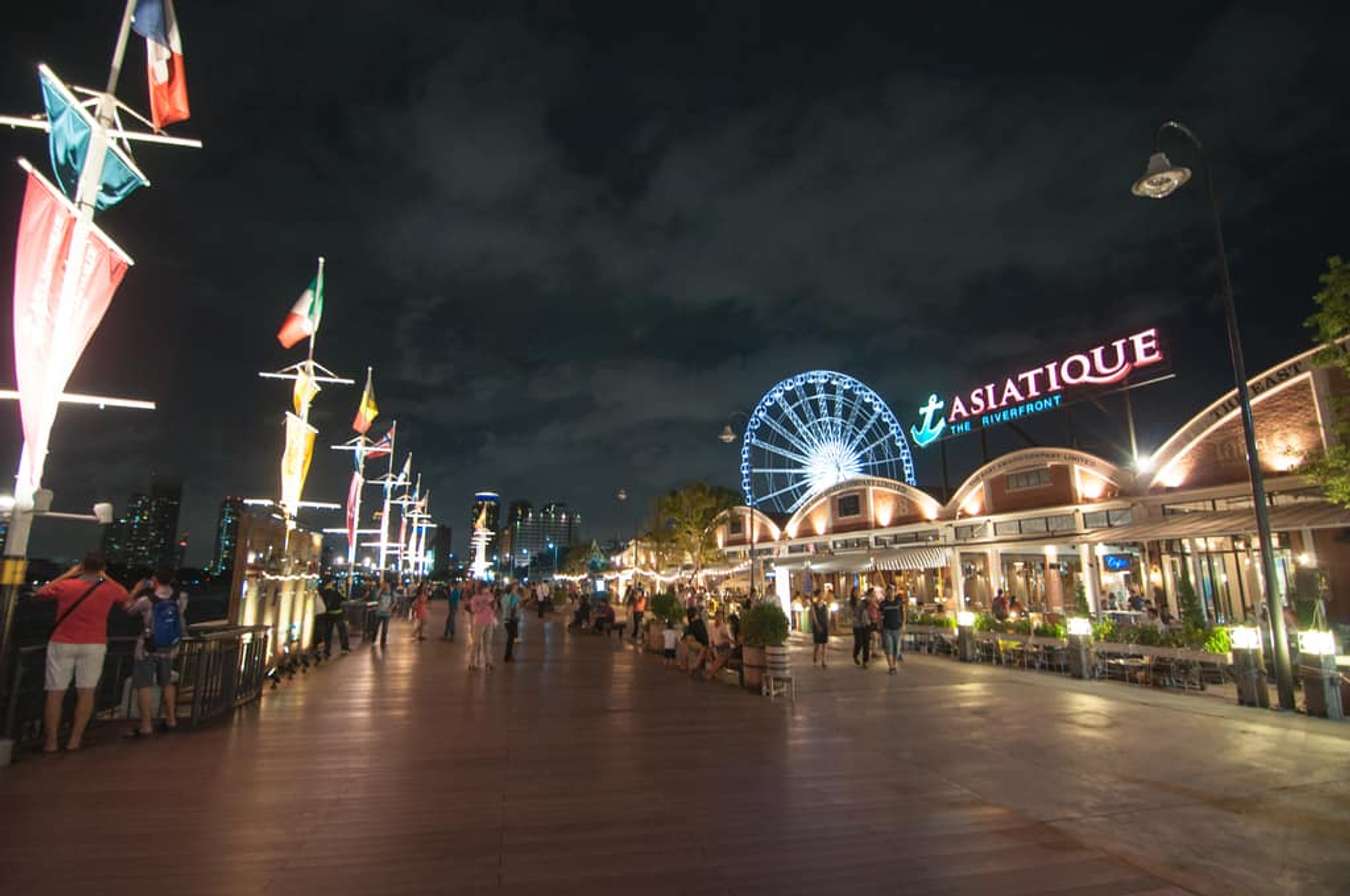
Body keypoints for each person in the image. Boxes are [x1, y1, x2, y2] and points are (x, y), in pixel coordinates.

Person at [33, 553, 130, 753]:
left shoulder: (68, 586)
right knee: (86, 691)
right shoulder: (108, 589)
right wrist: (106, 576)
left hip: (62, 642)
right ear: (102, 568)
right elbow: (125, 596)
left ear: (82, 567)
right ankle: (75, 739)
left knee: (55, 693)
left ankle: (51, 741)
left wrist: (67, 575)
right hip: (94, 644)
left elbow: (41, 592)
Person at [125, 566, 189, 738]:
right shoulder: (180, 598)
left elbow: (129, 609)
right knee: (167, 682)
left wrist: (136, 590)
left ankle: (146, 725)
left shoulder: (147, 600)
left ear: (155, 580)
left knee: (144, 685)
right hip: (169, 646)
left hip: (148, 646)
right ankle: (171, 719)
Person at [316, 578, 350, 657]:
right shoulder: (336, 591)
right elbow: (344, 598)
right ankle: (344, 648)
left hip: (328, 615)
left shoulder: (322, 592)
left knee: (328, 633)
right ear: (330, 583)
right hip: (338, 613)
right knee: (342, 631)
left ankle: (327, 650)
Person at [468, 582, 497, 670]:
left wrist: (494, 604)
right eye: (486, 588)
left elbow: (494, 608)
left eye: (488, 588)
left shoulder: (490, 596)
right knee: (476, 642)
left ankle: (488, 662)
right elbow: (473, 609)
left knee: (487, 642)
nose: (487, 589)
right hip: (479, 622)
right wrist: (483, 605)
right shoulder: (475, 598)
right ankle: (471, 663)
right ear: (481, 588)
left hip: (489, 621)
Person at [702, 612, 736, 680]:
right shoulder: (711, 626)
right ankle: (711, 672)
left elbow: (729, 640)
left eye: (720, 617)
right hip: (717, 647)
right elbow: (711, 638)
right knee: (710, 653)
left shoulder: (724, 626)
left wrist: (726, 637)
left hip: (725, 647)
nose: (719, 619)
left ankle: (710, 673)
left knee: (720, 658)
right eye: (718, 617)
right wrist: (711, 647)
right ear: (715, 617)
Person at [879, 588, 906, 674]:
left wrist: (903, 624)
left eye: (892, 592)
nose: (890, 593)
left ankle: (894, 664)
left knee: (896, 649)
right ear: (886, 593)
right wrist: (880, 626)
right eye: (889, 592)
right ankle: (891, 667)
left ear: (894, 593)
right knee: (889, 648)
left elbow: (903, 613)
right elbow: (880, 616)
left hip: (897, 628)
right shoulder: (883, 604)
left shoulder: (898, 602)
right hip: (887, 629)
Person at [850, 591, 871, 668]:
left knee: (866, 643)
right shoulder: (852, 603)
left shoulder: (865, 602)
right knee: (859, 642)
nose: (857, 594)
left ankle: (865, 661)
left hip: (865, 624)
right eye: (855, 592)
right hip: (857, 625)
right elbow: (852, 613)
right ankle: (855, 654)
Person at [501, 584, 522, 662]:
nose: (516, 589)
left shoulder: (511, 597)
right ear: (511, 589)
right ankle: (507, 656)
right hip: (509, 619)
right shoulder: (510, 597)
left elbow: (519, 606)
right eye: (515, 588)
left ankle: (508, 655)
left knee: (511, 638)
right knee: (510, 638)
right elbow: (509, 607)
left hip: (510, 619)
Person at [372, 577, 395, 647]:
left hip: (387, 613)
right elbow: (376, 597)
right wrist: (381, 589)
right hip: (379, 612)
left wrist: (391, 608)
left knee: (385, 629)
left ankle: (383, 642)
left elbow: (394, 601)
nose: (385, 585)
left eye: (386, 584)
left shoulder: (391, 592)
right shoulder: (381, 591)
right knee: (376, 627)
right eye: (384, 584)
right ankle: (373, 640)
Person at [810, 592, 830, 668]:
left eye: (821, 596)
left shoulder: (825, 606)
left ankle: (823, 661)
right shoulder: (813, 606)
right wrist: (817, 625)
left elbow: (827, 615)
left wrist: (827, 624)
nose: (820, 597)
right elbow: (814, 616)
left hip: (824, 625)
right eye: (819, 596)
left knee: (825, 644)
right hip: (817, 626)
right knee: (817, 644)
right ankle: (815, 656)